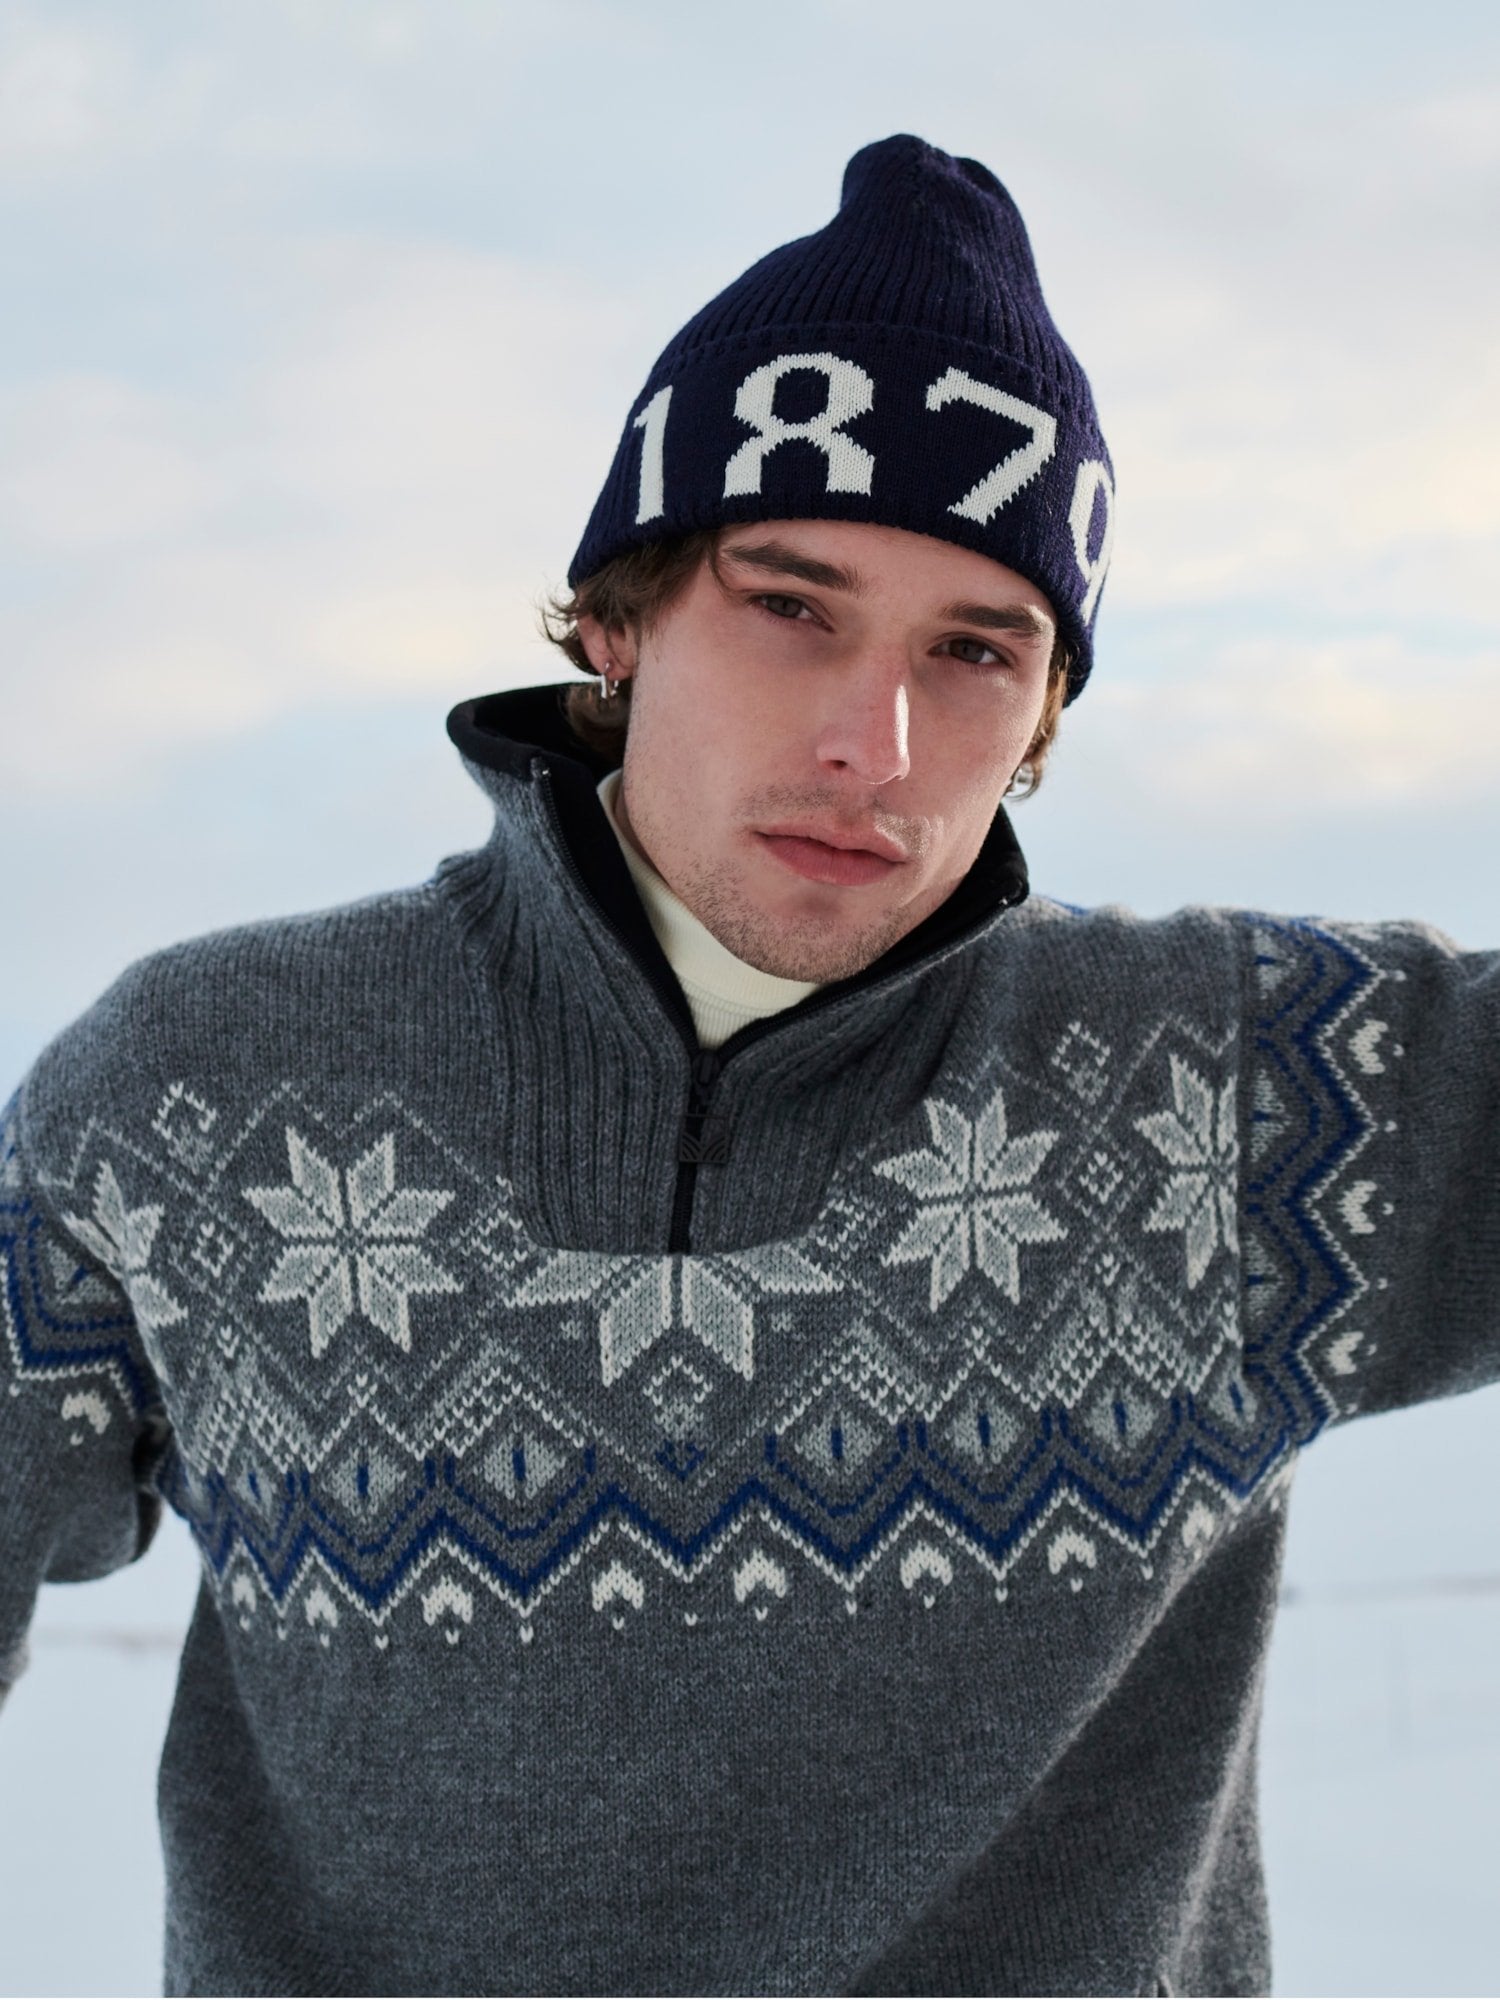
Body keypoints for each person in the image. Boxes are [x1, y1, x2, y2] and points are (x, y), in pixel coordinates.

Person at [0, 133, 1494, 1999]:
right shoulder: (200, 1090)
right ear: (617, 620)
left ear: (1044, 714)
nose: (876, 742)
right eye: (792, 607)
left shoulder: (1256, 1100)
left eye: (976, 650)